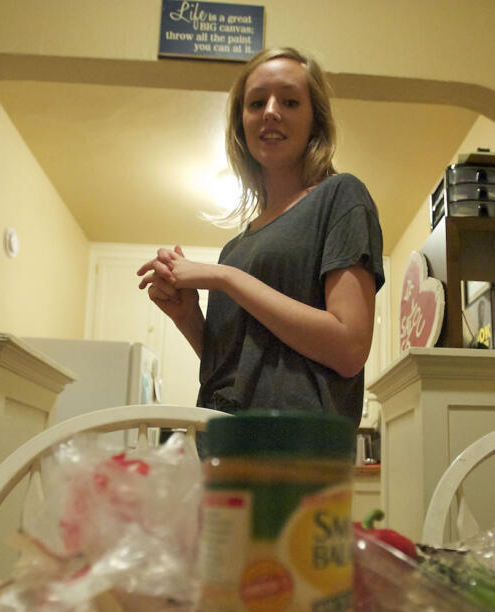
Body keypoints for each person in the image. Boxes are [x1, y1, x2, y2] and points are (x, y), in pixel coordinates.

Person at [136, 46, 384, 425]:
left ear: (315, 119)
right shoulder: (235, 247)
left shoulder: (341, 197)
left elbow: (349, 347)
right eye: (256, 103)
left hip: (298, 450)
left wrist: (226, 278)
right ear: (241, 123)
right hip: (221, 441)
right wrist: (188, 317)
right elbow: (239, 368)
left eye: (289, 101)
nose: (271, 112)